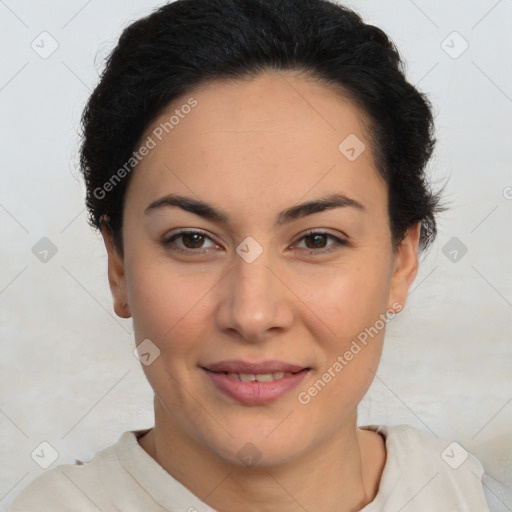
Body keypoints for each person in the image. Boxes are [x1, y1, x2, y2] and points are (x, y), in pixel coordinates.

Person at [8, 0, 496, 510]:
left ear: (401, 262)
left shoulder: (470, 492)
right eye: (192, 240)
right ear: (119, 265)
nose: (253, 314)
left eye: (317, 240)